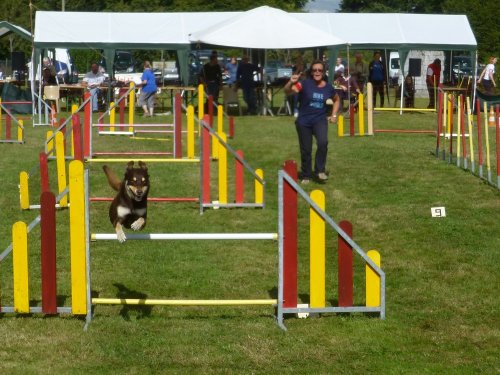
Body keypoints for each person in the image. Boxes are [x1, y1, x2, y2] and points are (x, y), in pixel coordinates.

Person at [284, 60, 340, 184]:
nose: (317, 72)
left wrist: (334, 114)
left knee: (323, 142)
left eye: (319, 70)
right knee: (306, 149)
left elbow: (336, 100)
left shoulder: (328, 87)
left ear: (324, 72)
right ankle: (306, 175)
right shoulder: (304, 84)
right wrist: (290, 82)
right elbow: (288, 91)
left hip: (320, 120)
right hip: (304, 121)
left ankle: (320, 170)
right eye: (314, 70)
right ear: (311, 71)